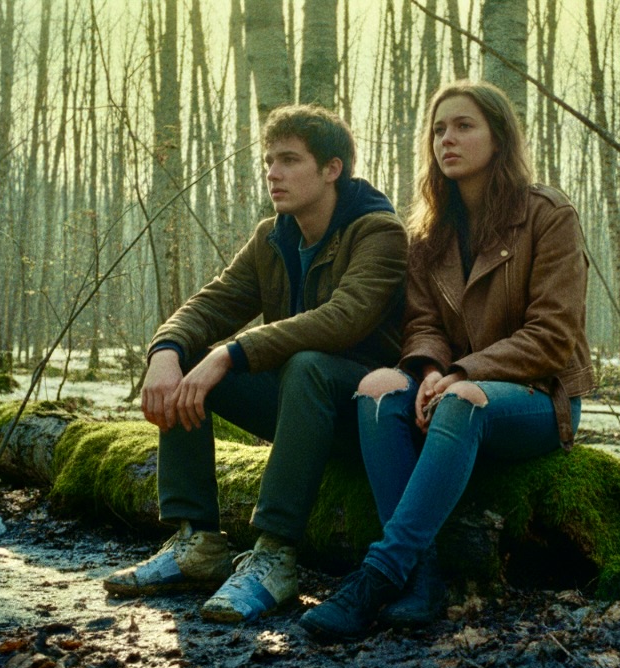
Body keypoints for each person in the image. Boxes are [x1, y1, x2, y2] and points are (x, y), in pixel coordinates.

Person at [298, 81, 594, 642]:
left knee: (461, 401)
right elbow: (423, 324)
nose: (447, 139)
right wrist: (430, 369)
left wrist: (461, 373)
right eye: (438, 129)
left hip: (538, 398)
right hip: (452, 386)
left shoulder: (549, 215)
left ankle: (380, 574)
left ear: (499, 136)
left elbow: (553, 336)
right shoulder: (428, 231)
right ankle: (424, 575)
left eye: (463, 126)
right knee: (380, 387)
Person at [104, 104, 408, 625]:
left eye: (290, 160)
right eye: (269, 160)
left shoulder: (377, 231)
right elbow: (211, 303)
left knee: (306, 363)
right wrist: (166, 352)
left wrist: (233, 351)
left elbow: (344, 319)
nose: (273, 172)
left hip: (366, 419)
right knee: (192, 361)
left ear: (332, 168)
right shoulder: (274, 236)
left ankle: (276, 555)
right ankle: (196, 540)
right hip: (299, 412)